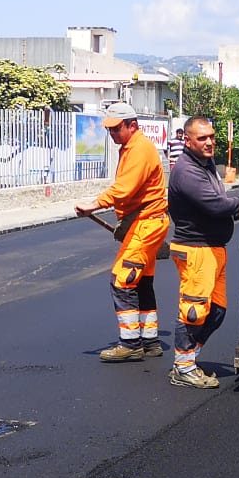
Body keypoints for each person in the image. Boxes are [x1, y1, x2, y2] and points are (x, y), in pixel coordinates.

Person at [165, 114, 239, 389]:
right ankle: (183, 368)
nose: (209, 142)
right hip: (195, 250)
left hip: (212, 249)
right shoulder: (186, 170)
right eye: (202, 138)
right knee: (194, 311)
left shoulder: (205, 163)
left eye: (211, 136)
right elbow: (214, 205)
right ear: (187, 141)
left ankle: (188, 359)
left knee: (217, 311)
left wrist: (237, 212)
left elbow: (213, 205)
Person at [75, 101, 168, 361]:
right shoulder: (130, 147)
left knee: (122, 280)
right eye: (109, 129)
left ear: (132, 125)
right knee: (142, 281)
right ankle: (149, 341)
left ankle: (130, 344)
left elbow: (124, 188)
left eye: (116, 129)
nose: (112, 134)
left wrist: (94, 204)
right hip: (145, 222)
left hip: (146, 225)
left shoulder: (139, 149)